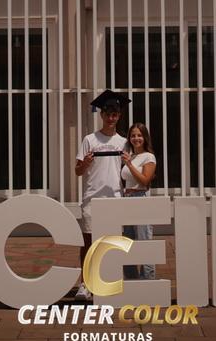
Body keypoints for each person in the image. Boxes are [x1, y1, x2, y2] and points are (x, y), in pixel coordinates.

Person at [74, 89, 131, 300]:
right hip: (92, 198)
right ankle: (85, 284)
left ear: (119, 116)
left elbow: (128, 173)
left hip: (115, 198)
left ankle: (110, 281)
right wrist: (86, 163)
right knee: (88, 243)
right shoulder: (90, 140)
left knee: (113, 244)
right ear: (101, 114)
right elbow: (78, 171)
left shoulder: (123, 142)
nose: (111, 117)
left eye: (114, 114)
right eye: (107, 113)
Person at [120, 122, 157, 280]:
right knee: (127, 242)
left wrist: (129, 164)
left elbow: (145, 180)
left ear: (145, 137)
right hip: (127, 199)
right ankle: (132, 280)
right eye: (133, 135)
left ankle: (148, 280)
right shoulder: (132, 156)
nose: (136, 138)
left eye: (139, 135)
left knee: (144, 241)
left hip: (140, 198)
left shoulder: (149, 157)